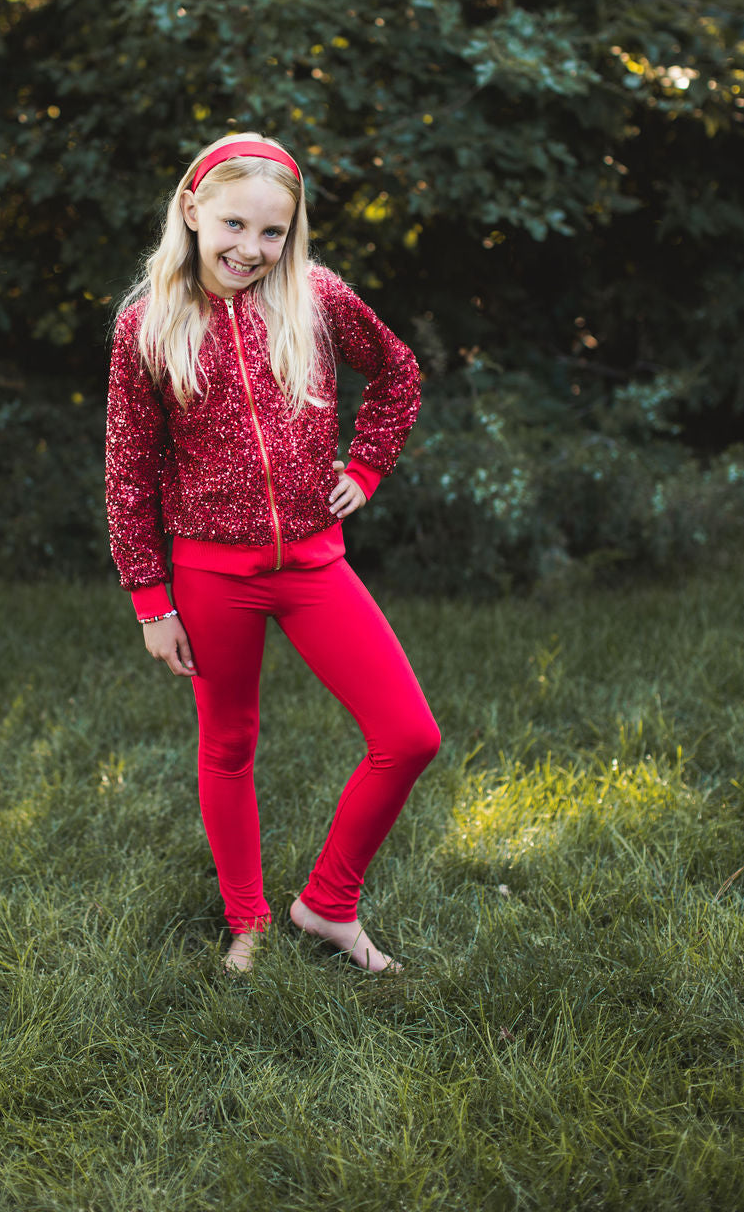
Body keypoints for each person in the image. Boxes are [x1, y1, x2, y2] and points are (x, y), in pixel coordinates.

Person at [104, 131, 441, 975]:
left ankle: (327, 904)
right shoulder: (147, 323)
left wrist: (365, 466)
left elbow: (398, 373)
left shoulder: (315, 298)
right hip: (211, 573)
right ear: (191, 209)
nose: (250, 249)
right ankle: (248, 921)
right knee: (228, 745)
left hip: (314, 564)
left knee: (408, 735)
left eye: (272, 233)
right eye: (233, 225)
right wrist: (151, 599)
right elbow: (128, 470)